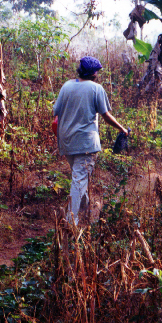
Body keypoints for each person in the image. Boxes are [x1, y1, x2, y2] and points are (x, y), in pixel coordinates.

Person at [53, 56, 128, 224]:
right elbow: (106, 115)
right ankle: (71, 222)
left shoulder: (66, 86)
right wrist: (122, 129)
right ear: (94, 73)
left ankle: (86, 212)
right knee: (79, 180)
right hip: (86, 143)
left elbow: (56, 113)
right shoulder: (96, 89)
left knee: (79, 178)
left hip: (66, 142)